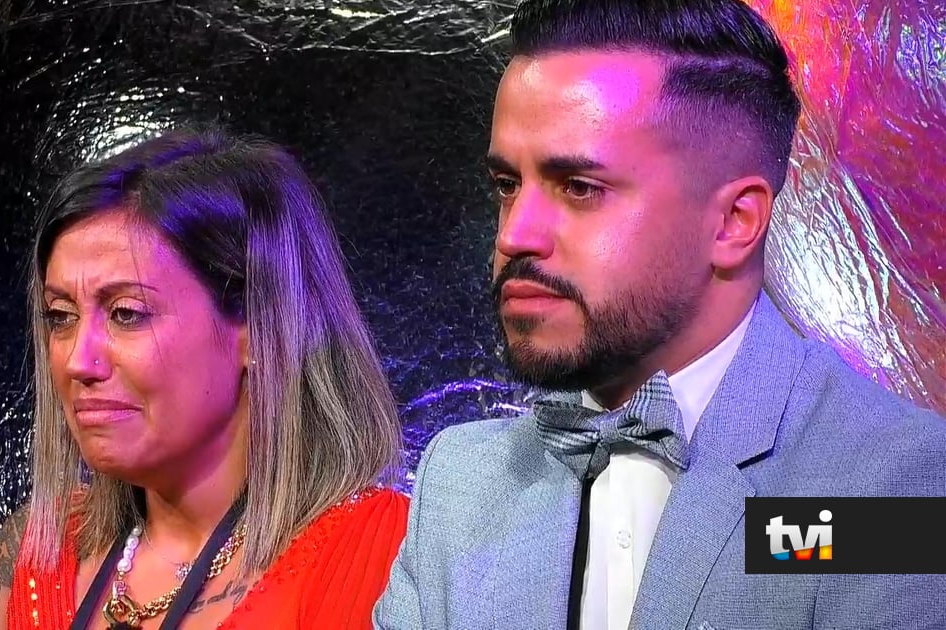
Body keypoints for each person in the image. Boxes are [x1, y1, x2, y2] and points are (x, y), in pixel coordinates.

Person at [374, 0, 946, 629]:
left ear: (734, 222)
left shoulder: (883, 482)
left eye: (579, 187)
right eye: (508, 185)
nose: (515, 234)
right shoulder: (461, 486)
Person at [0, 126, 409, 630]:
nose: (78, 361)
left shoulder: (376, 552)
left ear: (258, 329)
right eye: (61, 316)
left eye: (126, 313)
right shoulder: (38, 547)